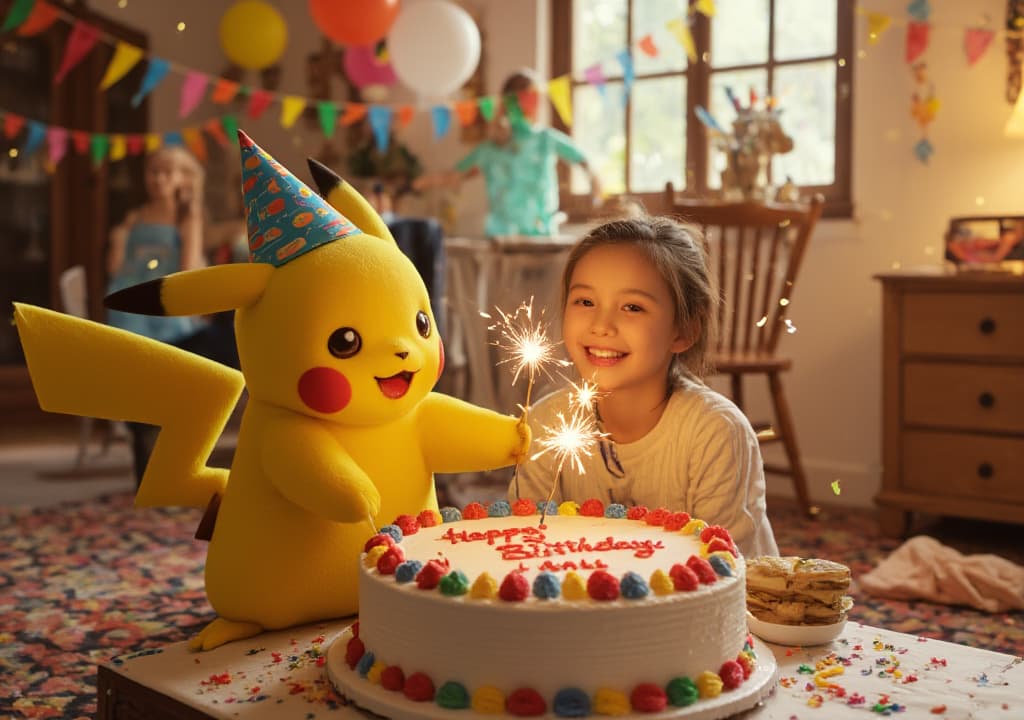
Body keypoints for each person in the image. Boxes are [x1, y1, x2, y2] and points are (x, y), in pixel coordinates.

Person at [511, 215, 779, 558]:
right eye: (585, 302)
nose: (601, 325)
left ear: (684, 329)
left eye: (632, 307)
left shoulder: (715, 433)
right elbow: (529, 548)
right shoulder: (546, 422)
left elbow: (722, 575)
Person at [106, 145, 239, 487]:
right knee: (140, 362)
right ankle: (145, 447)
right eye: (154, 171)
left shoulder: (187, 217)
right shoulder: (135, 217)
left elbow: (188, 268)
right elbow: (116, 269)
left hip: (164, 302)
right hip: (132, 303)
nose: (159, 179)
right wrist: (118, 242)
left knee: (176, 363)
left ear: (184, 178)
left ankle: (167, 448)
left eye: (168, 172)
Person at [415, 69, 601, 237]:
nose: (531, 104)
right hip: (503, 241)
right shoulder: (490, 149)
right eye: (525, 98)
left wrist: (594, 183)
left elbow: (583, 160)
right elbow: (454, 175)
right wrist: (418, 183)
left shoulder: (546, 139)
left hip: (543, 235)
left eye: (534, 98)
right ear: (508, 102)